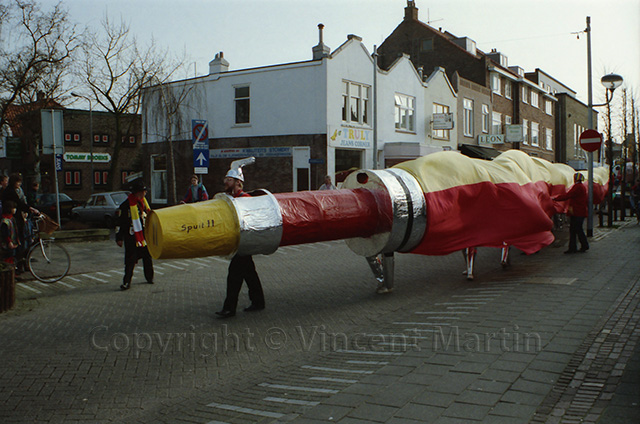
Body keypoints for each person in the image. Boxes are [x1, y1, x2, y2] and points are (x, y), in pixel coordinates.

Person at [216, 158, 265, 319]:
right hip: (240, 243)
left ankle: (229, 308)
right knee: (249, 273)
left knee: (234, 276)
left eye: (229, 180)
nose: (225, 182)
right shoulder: (230, 199)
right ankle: (258, 301)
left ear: (238, 183)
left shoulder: (245, 199)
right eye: (226, 179)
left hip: (244, 243)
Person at [116, 178, 154, 290]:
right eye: (143, 191)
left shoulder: (144, 203)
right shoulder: (125, 206)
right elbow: (120, 223)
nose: (145, 193)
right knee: (130, 260)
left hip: (143, 236)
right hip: (131, 237)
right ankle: (126, 282)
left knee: (147, 257)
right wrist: (119, 238)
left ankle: (149, 277)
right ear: (137, 192)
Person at [1, 174, 39, 272]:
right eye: (18, 182)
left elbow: (22, 201)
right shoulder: (10, 192)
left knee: (24, 240)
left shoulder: (18, 190)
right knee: (19, 242)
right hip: (16, 218)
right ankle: (18, 266)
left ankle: (22, 264)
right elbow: (19, 203)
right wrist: (30, 209)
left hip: (20, 217)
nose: (19, 184)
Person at [553, 172, 589, 254]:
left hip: (577, 212)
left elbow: (568, 195)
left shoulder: (577, 187)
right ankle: (577, 246)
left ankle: (579, 246)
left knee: (575, 229)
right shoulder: (581, 187)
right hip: (578, 211)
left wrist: (556, 198)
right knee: (576, 229)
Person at [0, 200, 19, 267]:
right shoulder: (5, 221)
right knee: (7, 257)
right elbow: (5, 233)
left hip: (13, 241)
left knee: (12, 256)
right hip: (6, 243)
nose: (15, 210)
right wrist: (9, 241)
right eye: (13, 208)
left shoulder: (12, 218)